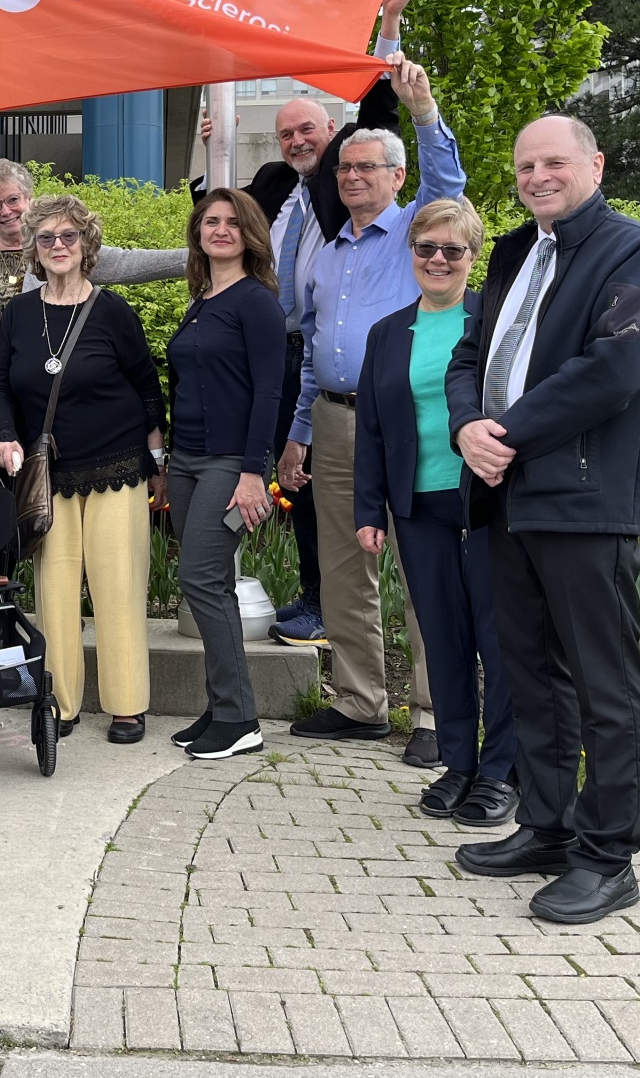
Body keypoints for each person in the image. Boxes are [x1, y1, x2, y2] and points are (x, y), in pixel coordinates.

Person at [446, 117, 640, 925]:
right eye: (525, 165)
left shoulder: (637, 252)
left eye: (555, 162)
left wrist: (502, 432)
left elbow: (611, 369)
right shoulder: (515, 250)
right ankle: (546, 828)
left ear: (595, 164)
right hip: (507, 496)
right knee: (529, 674)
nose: (538, 176)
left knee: (602, 685)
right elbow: (468, 354)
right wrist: (464, 429)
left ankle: (608, 854)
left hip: (584, 501)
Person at [194, 0, 416, 647]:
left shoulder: (343, 175)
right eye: (288, 134)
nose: (298, 142)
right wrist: (211, 144)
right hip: (275, 347)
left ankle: (326, 603)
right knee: (289, 473)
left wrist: (389, 24)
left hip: (328, 349)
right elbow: (217, 221)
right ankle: (309, 594)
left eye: (309, 131)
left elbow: (380, 111)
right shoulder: (273, 184)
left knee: (331, 482)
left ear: (332, 133)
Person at [278, 55, 459, 766]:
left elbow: (450, 183)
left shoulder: (421, 233)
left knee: (421, 568)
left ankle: (436, 716)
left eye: (367, 167)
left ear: (396, 177)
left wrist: (422, 112)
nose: (352, 177)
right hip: (332, 418)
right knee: (346, 568)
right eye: (345, 168)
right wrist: (297, 436)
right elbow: (313, 347)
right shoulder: (327, 253)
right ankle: (358, 704)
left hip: (410, 422)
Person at [353, 198, 517, 826]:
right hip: (417, 504)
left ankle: (503, 770)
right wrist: (370, 508)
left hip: (486, 500)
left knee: (497, 637)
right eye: (426, 248)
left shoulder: (494, 321)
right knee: (442, 638)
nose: (439, 259)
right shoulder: (389, 332)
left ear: (473, 258)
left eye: (453, 250)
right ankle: (460, 764)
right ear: (412, 253)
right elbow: (371, 427)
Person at [0, 195, 165, 744]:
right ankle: (59, 704)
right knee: (54, 592)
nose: (58, 246)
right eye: (47, 239)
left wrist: (158, 460)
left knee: (118, 586)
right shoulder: (19, 312)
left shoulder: (114, 311)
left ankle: (127, 705)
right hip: (48, 474)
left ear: (86, 244)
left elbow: (146, 388)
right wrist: (3, 437)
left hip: (117, 465)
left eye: (68, 237)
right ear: (34, 250)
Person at [164, 188, 285, 761]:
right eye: (210, 221)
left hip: (228, 462)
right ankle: (223, 706)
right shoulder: (202, 298)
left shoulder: (256, 302)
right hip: (186, 460)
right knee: (206, 585)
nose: (220, 230)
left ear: (250, 233)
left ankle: (241, 720)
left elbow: (269, 391)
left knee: (203, 581)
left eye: (232, 222)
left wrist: (253, 471)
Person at [0, 159, 183, 406]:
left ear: (29, 198)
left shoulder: (64, 250)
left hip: (55, 390)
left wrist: (196, 258)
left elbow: (127, 263)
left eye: (13, 200)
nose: (6, 211)